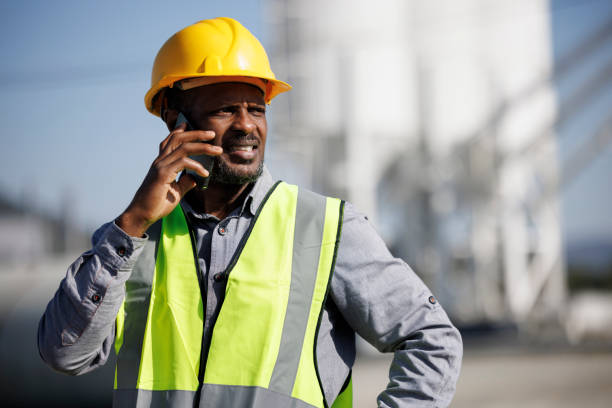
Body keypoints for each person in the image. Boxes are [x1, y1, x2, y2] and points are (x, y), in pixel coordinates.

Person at [38, 17, 462, 408]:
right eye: (225, 109)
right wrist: (130, 225)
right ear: (174, 116)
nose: (247, 125)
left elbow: (432, 340)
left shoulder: (326, 228)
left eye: (256, 109)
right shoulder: (130, 243)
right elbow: (64, 353)